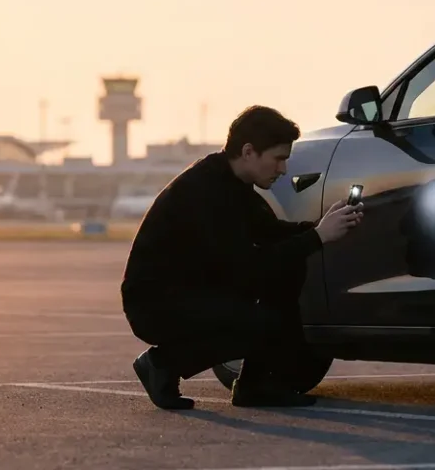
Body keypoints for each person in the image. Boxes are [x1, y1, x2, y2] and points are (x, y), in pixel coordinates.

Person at [120, 105, 363, 409]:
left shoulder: (233, 184)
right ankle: (163, 363)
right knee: (262, 321)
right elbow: (247, 269)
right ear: (249, 152)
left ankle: (254, 386)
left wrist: (322, 226)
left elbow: (271, 233)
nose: (283, 169)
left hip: (193, 292)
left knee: (287, 272)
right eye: (278, 159)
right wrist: (318, 236)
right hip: (156, 304)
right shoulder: (206, 191)